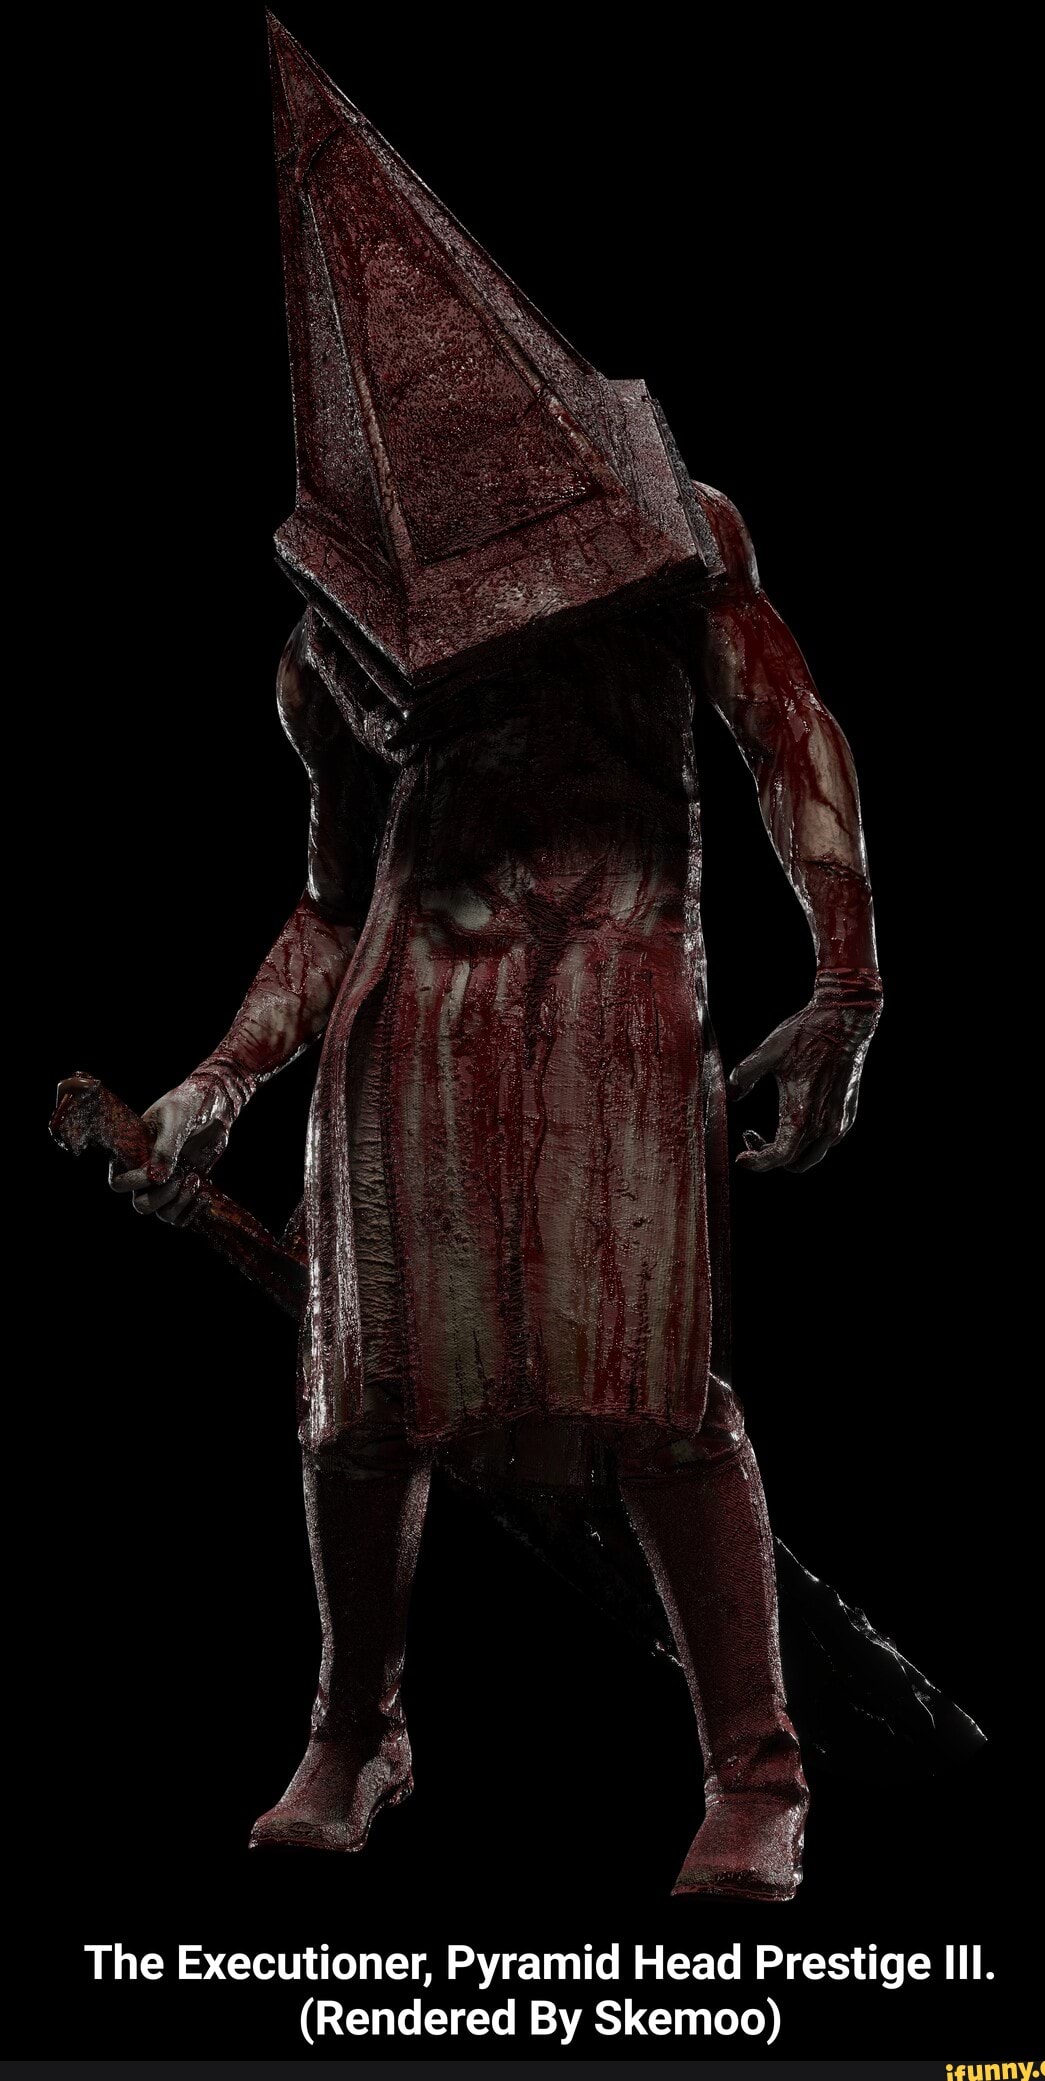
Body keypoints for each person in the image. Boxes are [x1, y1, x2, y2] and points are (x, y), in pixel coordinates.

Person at [108, 21, 882, 1900]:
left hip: (617, 995)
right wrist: (219, 1077)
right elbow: (332, 903)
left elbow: (789, 732)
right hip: (408, 1034)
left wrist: (848, 978)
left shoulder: (669, 532)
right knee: (358, 1408)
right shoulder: (333, 653)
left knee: (663, 1402)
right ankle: (355, 1727)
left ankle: (757, 1766)